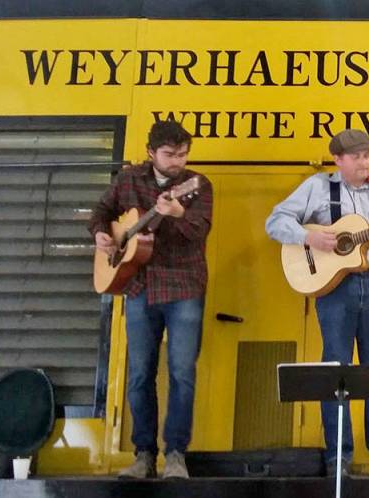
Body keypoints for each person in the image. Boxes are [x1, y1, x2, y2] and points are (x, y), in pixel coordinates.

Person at [264, 129, 369, 478]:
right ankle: (338, 455)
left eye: (368, 155)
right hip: (334, 292)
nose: (365, 162)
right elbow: (275, 221)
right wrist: (308, 236)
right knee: (335, 371)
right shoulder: (317, 187)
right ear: (338, 160)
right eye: (356, 157)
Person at [89, 120, 213, 479]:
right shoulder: (129, 179)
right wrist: (101, 234)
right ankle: (144, 454)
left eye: (184, 154)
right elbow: (101, 212)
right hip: (138, 286)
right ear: (151, 153)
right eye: (170, 154)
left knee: (181, 373)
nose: (178, 161)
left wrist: (179, 215)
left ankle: (176, 455)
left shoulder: (198, 185)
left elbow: (200, 231)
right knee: (140, 374)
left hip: (184, 287)